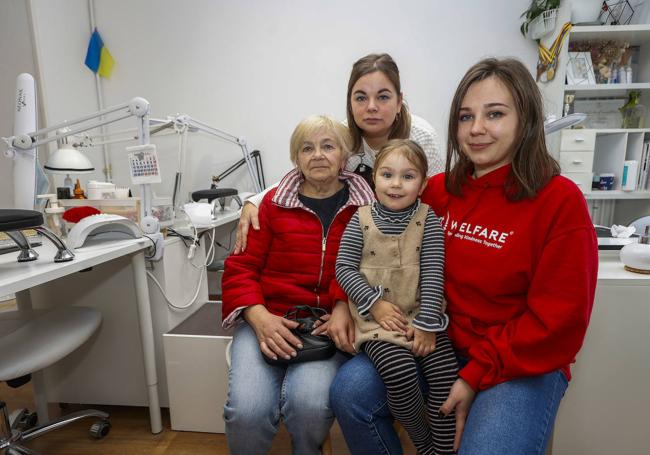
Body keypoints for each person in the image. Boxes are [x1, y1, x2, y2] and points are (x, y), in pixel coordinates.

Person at [329, 57, 599, 455]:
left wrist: (473, 376)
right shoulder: (437, 191)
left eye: (494, 114)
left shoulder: (559, 202)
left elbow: (559, 322)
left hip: (518, 361)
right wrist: (340, 301)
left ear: (525, 118)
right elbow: (370, 243)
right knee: (350, 392)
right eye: (465, 116)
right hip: (434, 339)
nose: (476, 129)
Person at [221, 114, 375, 455]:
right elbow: (239, 267)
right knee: (247, 412)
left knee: (309, 407)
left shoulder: (367, 211)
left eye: (328, 146)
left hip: (324, 326)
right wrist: (259, 318)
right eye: (307, 148)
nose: (318, 155)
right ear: (297, 159)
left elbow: (370, 270)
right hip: (265, 316)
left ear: (344, 157)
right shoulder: (271, 206)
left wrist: (340, 307)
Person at [234, 53, 444, 253]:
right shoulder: (341, 137)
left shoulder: (421, 136)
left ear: (399, 102)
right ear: (350, 103)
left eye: (383, 97)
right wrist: (256, 201)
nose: (371, 107)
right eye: (361, 98)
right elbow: (305, 174)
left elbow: (438, 198)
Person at [336, 139, 457, 455]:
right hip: (378, 323)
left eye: (408, 176)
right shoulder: (359, 220)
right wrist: (374, 305)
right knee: (399, 373)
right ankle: (424, 442)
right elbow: (344, 269)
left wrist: (428, 325)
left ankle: (444, 449)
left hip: (423, 316)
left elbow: (433, 273)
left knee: (445, 376)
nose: (396, 184)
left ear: (423, 184)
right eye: (387, 175)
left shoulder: (427, 219)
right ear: (374, 177)